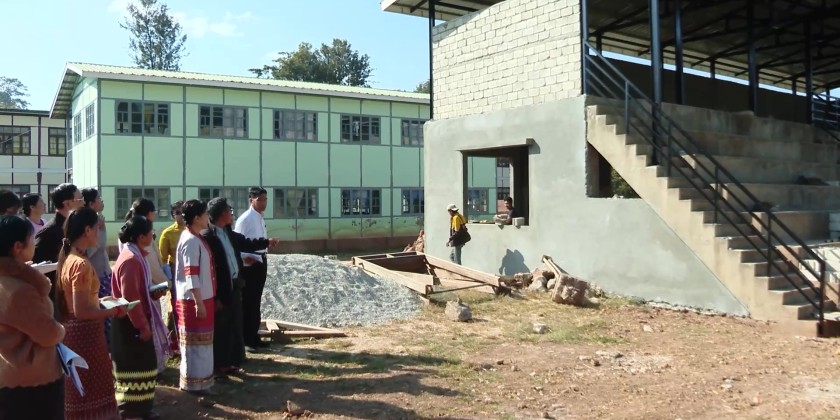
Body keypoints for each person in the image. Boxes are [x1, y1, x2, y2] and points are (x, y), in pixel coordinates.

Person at [55, 207, 126, 420]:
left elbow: (79, 303)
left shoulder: (70, 258)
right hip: (86, 338)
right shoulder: (80, 264)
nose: (99, 233)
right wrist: (112, 311)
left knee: (81, 391)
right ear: (87, 230)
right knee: (93, 389)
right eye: (97, 228)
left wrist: (101, 301)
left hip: (76, 336)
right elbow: (82, 311)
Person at [0, 215, 66, 420]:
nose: (34, 243)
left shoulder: (8, 282)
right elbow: (48, 333)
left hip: (10, 377)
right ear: (18, 247)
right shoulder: (20, 291)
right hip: (32, 381)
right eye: (31, 238)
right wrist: (60, 330)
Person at [202, 198, 270, 375]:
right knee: (222, 329)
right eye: (229, 211)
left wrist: (266, 242)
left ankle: (232, 362)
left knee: (234, 326)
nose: (231, 214)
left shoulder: (228, 233)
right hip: (221, 289)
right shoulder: (208, 237)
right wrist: (216, 296)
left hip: (234, 285)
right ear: (221, 214)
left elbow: (246, 243)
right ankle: (219, 366)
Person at [111, 216, 169, 420]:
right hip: (130, 324)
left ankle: (142, 409)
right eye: (151, 233)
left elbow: (138, 291)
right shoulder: (130, 259)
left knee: (144, 368)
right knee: (134, 369)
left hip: (135, 320)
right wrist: (143, 327)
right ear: (141, 236)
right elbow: (130, 299)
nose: (153, 236)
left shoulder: (136, 255)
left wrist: (152, 294)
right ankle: (132, 412)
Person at [174, 200, 217, 394]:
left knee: (204, 343)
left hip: (203, 297)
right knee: (194, 345)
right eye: (205, 214)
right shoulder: (190, 241)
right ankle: (193, 383)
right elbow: (191, 274)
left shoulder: (196, 237)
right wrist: (199, 303)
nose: (208, 217)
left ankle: (203, 382)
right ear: (197, 218)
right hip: (194, 300)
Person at [233, 187, 279, 352]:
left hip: (261, 260)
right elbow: (236, 243)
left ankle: (254, 336)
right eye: (260, 200)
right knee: (248, 302)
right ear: (251, 200)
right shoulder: (245, 219)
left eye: (265, 199)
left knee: (256, 302)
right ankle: (246, 340)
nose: (263, 203)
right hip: (249, 265)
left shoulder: (259, 217)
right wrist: (245, 258)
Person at [33, 183, 84, 296]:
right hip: (56, 294)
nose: (83, 203)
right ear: (67, 203)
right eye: (80, 199)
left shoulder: (73, 226)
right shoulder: (49, 232)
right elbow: (38, 269)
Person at [82, 188, 114, 350]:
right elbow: (91, 250)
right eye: (98, 198)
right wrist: (100, 230)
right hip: (96, 276)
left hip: (104, 272)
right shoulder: (87, 224)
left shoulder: (97, 220)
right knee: (104, 316)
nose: (102, 201)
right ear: (91, 203)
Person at [159, 201, 185, 354]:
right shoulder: (167, 233)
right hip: (176, 270)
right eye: (178, 213)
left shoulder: (194, 230)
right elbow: (162, 259)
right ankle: (176, 340)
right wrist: (168, 279)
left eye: (183, 212)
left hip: (192, 270)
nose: (181, 216)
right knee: (177, 306)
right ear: (173, 215)